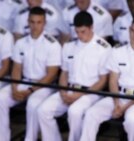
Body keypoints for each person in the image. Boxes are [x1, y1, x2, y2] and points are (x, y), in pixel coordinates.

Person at [80, 16, 134, 141]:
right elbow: (113, 80)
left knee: (131, 120)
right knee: (92, 113)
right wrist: (117, 103)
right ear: (129, 30)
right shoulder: (118, 50)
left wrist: (124, 107)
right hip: (118, 95)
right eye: (133, 31)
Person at [38, 11, 111, 141]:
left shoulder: (103, 48)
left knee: (74, 112)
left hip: (90, 92)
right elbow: (64, 73)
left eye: (83, 32)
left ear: (91, 27)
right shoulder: (69, 46)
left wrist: (80, 94)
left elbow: (103, 81)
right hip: (69, 89)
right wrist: (63, 91)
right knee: (43, 110)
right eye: (77, 32)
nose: (79, 35)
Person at [0, 7, 61, 141]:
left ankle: (30, 138)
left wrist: (30, 90)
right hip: (24, 82)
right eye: (32, 22)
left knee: (32, 103)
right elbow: (16, 68)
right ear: (28, 22)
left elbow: (51, 74)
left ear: (44, 23)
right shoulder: (21, 42)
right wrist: (14, 88)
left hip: (44, 86)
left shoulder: (53, 44)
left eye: (39, 22)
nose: (35, 26)